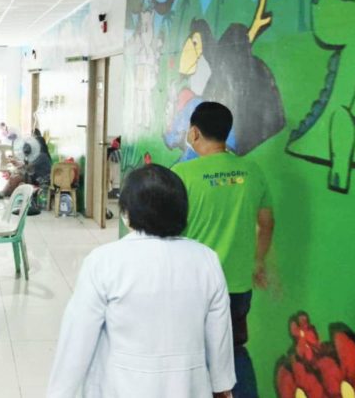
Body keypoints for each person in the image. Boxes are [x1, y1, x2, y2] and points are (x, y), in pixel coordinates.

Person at [48, 164, 235, 398]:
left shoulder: (104, 262)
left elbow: (76, 341)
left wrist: (59, 393)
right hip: (189, 389)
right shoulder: (206, 260)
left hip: (120, 388)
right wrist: (222, 387)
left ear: (127, 213)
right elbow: (220, 337)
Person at [172, 101, 274, 398]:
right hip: (237, 284)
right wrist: (258, 263)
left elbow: (169, 231)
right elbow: (266, 223)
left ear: (193, 133)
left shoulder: (182, 174)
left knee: (191, 351)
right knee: (233, 349)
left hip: (194, 287)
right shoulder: (251, 171)